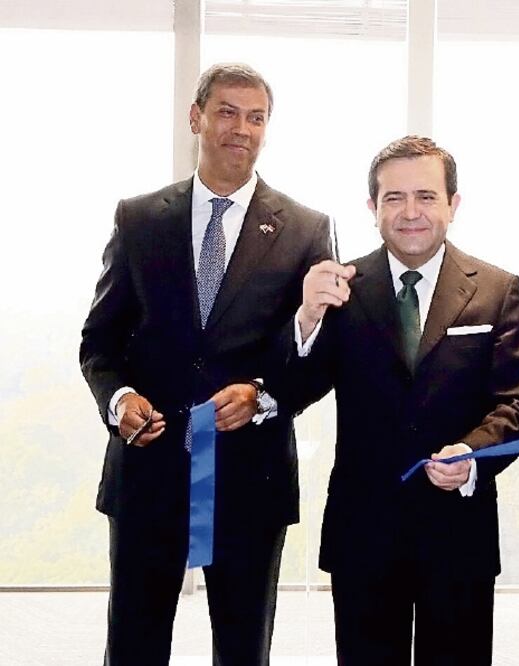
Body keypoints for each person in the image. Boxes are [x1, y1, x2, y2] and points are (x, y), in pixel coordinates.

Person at [79, 63, 334, 665]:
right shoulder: (138, 219)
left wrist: (263, 393)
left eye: (255, 117)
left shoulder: (306, 229)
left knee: (244, 649)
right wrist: (119, 402)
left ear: (267, 129)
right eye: (226, 111)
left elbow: (320, 357)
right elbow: (99, 342)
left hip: (251, 476)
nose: (240, 128)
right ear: (195, 118)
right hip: (149, 469)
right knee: (134, 645)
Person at [283, 136, 519, 665]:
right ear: (372, 208)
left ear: (453, 204)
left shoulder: (496, 288)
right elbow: (293, 391)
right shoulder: (339, 289)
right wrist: (306, 320)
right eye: (394, 198)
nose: (411, 212)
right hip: (364, 532)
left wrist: (472, 456)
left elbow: (516, 403)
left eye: (426, 195)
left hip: (458, 531)